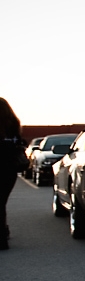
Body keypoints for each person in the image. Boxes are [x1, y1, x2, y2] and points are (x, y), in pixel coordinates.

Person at [1, 97, 26, 250]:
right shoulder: (13, 125)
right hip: (9, 170)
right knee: (1, 202)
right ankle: (2, 233)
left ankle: (2, 236)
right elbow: (20, 143)